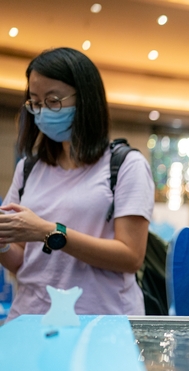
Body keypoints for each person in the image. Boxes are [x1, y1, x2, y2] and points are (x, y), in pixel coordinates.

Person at [0, 48, 154, 322]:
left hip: (101, 321)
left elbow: (131, 256)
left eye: (53, 101)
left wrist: (49, 232)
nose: (42, 112)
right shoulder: (29, 169)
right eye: (35, 102)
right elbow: (22, 260)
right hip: (31, 318)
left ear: (85, 100)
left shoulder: (125, 165)